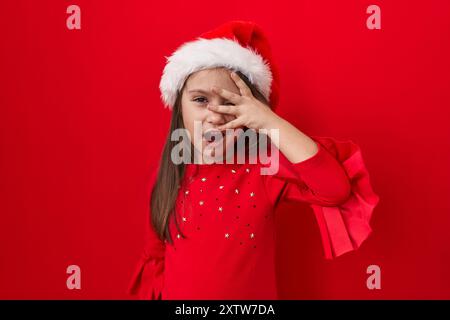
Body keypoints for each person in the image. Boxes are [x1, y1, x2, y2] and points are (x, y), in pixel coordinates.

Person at [126, 20, 379, 300]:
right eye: (200, 99)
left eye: (230, 103)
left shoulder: (265, 168)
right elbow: (155, 256)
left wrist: (268, 121)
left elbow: (335, 190)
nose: (216, 114)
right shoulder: (169, 174)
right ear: (179, 108)